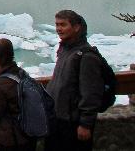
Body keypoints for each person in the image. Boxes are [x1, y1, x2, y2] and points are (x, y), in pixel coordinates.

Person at [45, 9, 105, 150]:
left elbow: (91, 93)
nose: (58, 29)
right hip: (58, 120)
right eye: (57, 25)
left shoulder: (86, 56)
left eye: (63, 25)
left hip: (73, 124)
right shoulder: (65, 50)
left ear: (76, 27)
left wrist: (85, 124)